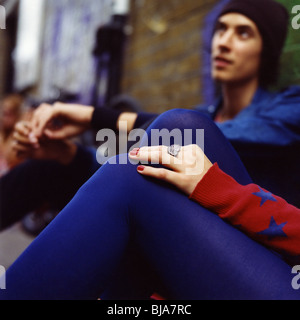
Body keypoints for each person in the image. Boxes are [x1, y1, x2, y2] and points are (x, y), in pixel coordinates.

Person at [1, 109, 300, 300]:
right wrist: (72, 155)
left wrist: (96, 116)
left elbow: (238, 135)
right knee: (179, 125)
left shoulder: (282, 109)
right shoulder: (208, 112)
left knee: (132, 171)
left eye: (244, 32)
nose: (224, 41)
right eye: (221, 29)